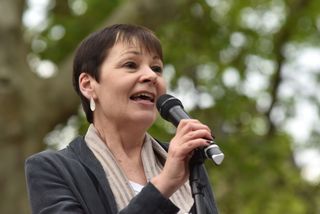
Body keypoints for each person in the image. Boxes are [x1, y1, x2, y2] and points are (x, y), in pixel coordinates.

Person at [25, 24, 218, 214]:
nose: (151, 76)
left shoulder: (185, 159)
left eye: (157, 68)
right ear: (88, 84)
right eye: (131, 65)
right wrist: (164, 184)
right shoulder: (53, 169)